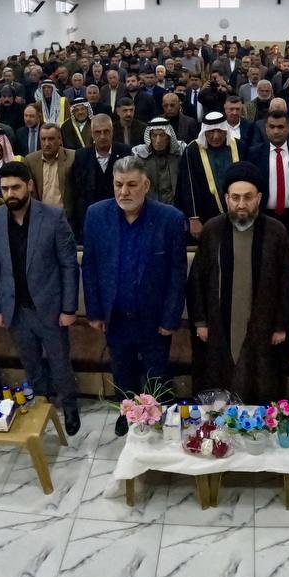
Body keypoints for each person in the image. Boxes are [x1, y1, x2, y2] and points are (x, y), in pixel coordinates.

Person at [82, 156, 187, 436]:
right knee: (122, 370)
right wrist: (94, 311)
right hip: (115, 316)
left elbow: (177, 273)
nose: (124, 192)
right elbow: (90, 266)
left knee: (156, 373)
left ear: (146, 185)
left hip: (154, 318)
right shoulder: (96, 215)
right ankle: (127, 414)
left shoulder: (170, 219)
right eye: (118, 184)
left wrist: (170, 317)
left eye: (131, 185)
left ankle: (155, 418)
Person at [187, 162, 289, 405]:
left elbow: (287, 283)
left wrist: (281, 326)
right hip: (218, 325)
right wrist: (200, 322)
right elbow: (197, 279)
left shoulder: (275, 231)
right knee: (219, 382)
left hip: (262, 324)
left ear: (259, 198)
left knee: (260, 383)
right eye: (235, 198)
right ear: (226, 198)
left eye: (248, 197)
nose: (241, 204)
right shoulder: (212, 230)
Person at [0, 163, 82, 434]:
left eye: (15, 187)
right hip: (15, 309)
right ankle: (41, 404)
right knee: (30, 363)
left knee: (59, 362)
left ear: (29, 185)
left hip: (50, 307)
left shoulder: (53, 216)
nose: (10, 193)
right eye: (4, 189)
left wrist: (69, 308)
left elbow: (68, 265)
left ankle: (69, 406)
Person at [245, 111, 289, 241]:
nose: (276, 131)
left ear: (288, 128)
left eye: (280, 127)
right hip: (262, 217)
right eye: (272, 127)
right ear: (266, 128)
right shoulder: (254, 154)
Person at [179, 111, 241, 238]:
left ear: (226, 130)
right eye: (211, 132)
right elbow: (188, 186)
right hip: (205, 216)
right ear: (204, 132)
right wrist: (194, 218)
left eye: (220, 131)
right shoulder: (192, 150)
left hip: (238, 212)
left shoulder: (238, 146)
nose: (216, 137)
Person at [69, 114, 131, 241]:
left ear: (112, 132)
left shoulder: (125, 152)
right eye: (98, 132)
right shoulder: (81, 156)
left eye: (106, 131)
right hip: (92, 220)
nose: (102, 136)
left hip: (121, 218)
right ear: (92, 134)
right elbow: (77, 192)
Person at [23, 123, 76, 221]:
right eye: (43, 139)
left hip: (66, 218)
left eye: (51, 139)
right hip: (41, 218)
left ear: (60, 140)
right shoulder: (30, 160)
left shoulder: (73, 157)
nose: (47, 143)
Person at [133, 117, 185, 206]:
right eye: (154, 136)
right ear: (149, 137)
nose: (158, 140)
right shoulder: (141, 155)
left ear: (168, 137)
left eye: (162, 135)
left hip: (175, 205)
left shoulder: (179, 153)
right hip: (150, 206)